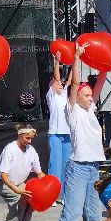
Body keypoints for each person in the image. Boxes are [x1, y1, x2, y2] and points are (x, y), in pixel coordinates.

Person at [49, 44, 111, 221]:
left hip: (93, 169)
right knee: (71, 217)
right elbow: (75, 85)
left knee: (94, 218)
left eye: (90, 96)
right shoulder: (73, 110)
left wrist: (106, 69)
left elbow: (96, 87)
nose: (89, 97)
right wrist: (76, 58)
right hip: (77, 168)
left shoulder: (91, 109)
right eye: (85, 95)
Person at [0, 124, 42, 221]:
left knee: (31, 199)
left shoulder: (31, 151)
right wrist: (16, 190)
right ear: (20, 135)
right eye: (27, 138)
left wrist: (48, 186)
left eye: (31, 139)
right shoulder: (10, 149)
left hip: (18, 182)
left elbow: (39, 173)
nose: (29, 141)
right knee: (18, 199)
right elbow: (4, 175)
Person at [45, 56, 71, 189]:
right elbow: (56, 78)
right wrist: (57, 62)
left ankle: (64, 194)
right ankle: (53, 193)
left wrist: (75, 62)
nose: (61, 84)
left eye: (62, 83)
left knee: (66, 165)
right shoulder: (51, 95)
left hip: (67, 135)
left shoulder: (64, 94)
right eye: (58, 83)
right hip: (55, 134)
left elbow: (71, 80)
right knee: (55, 165)